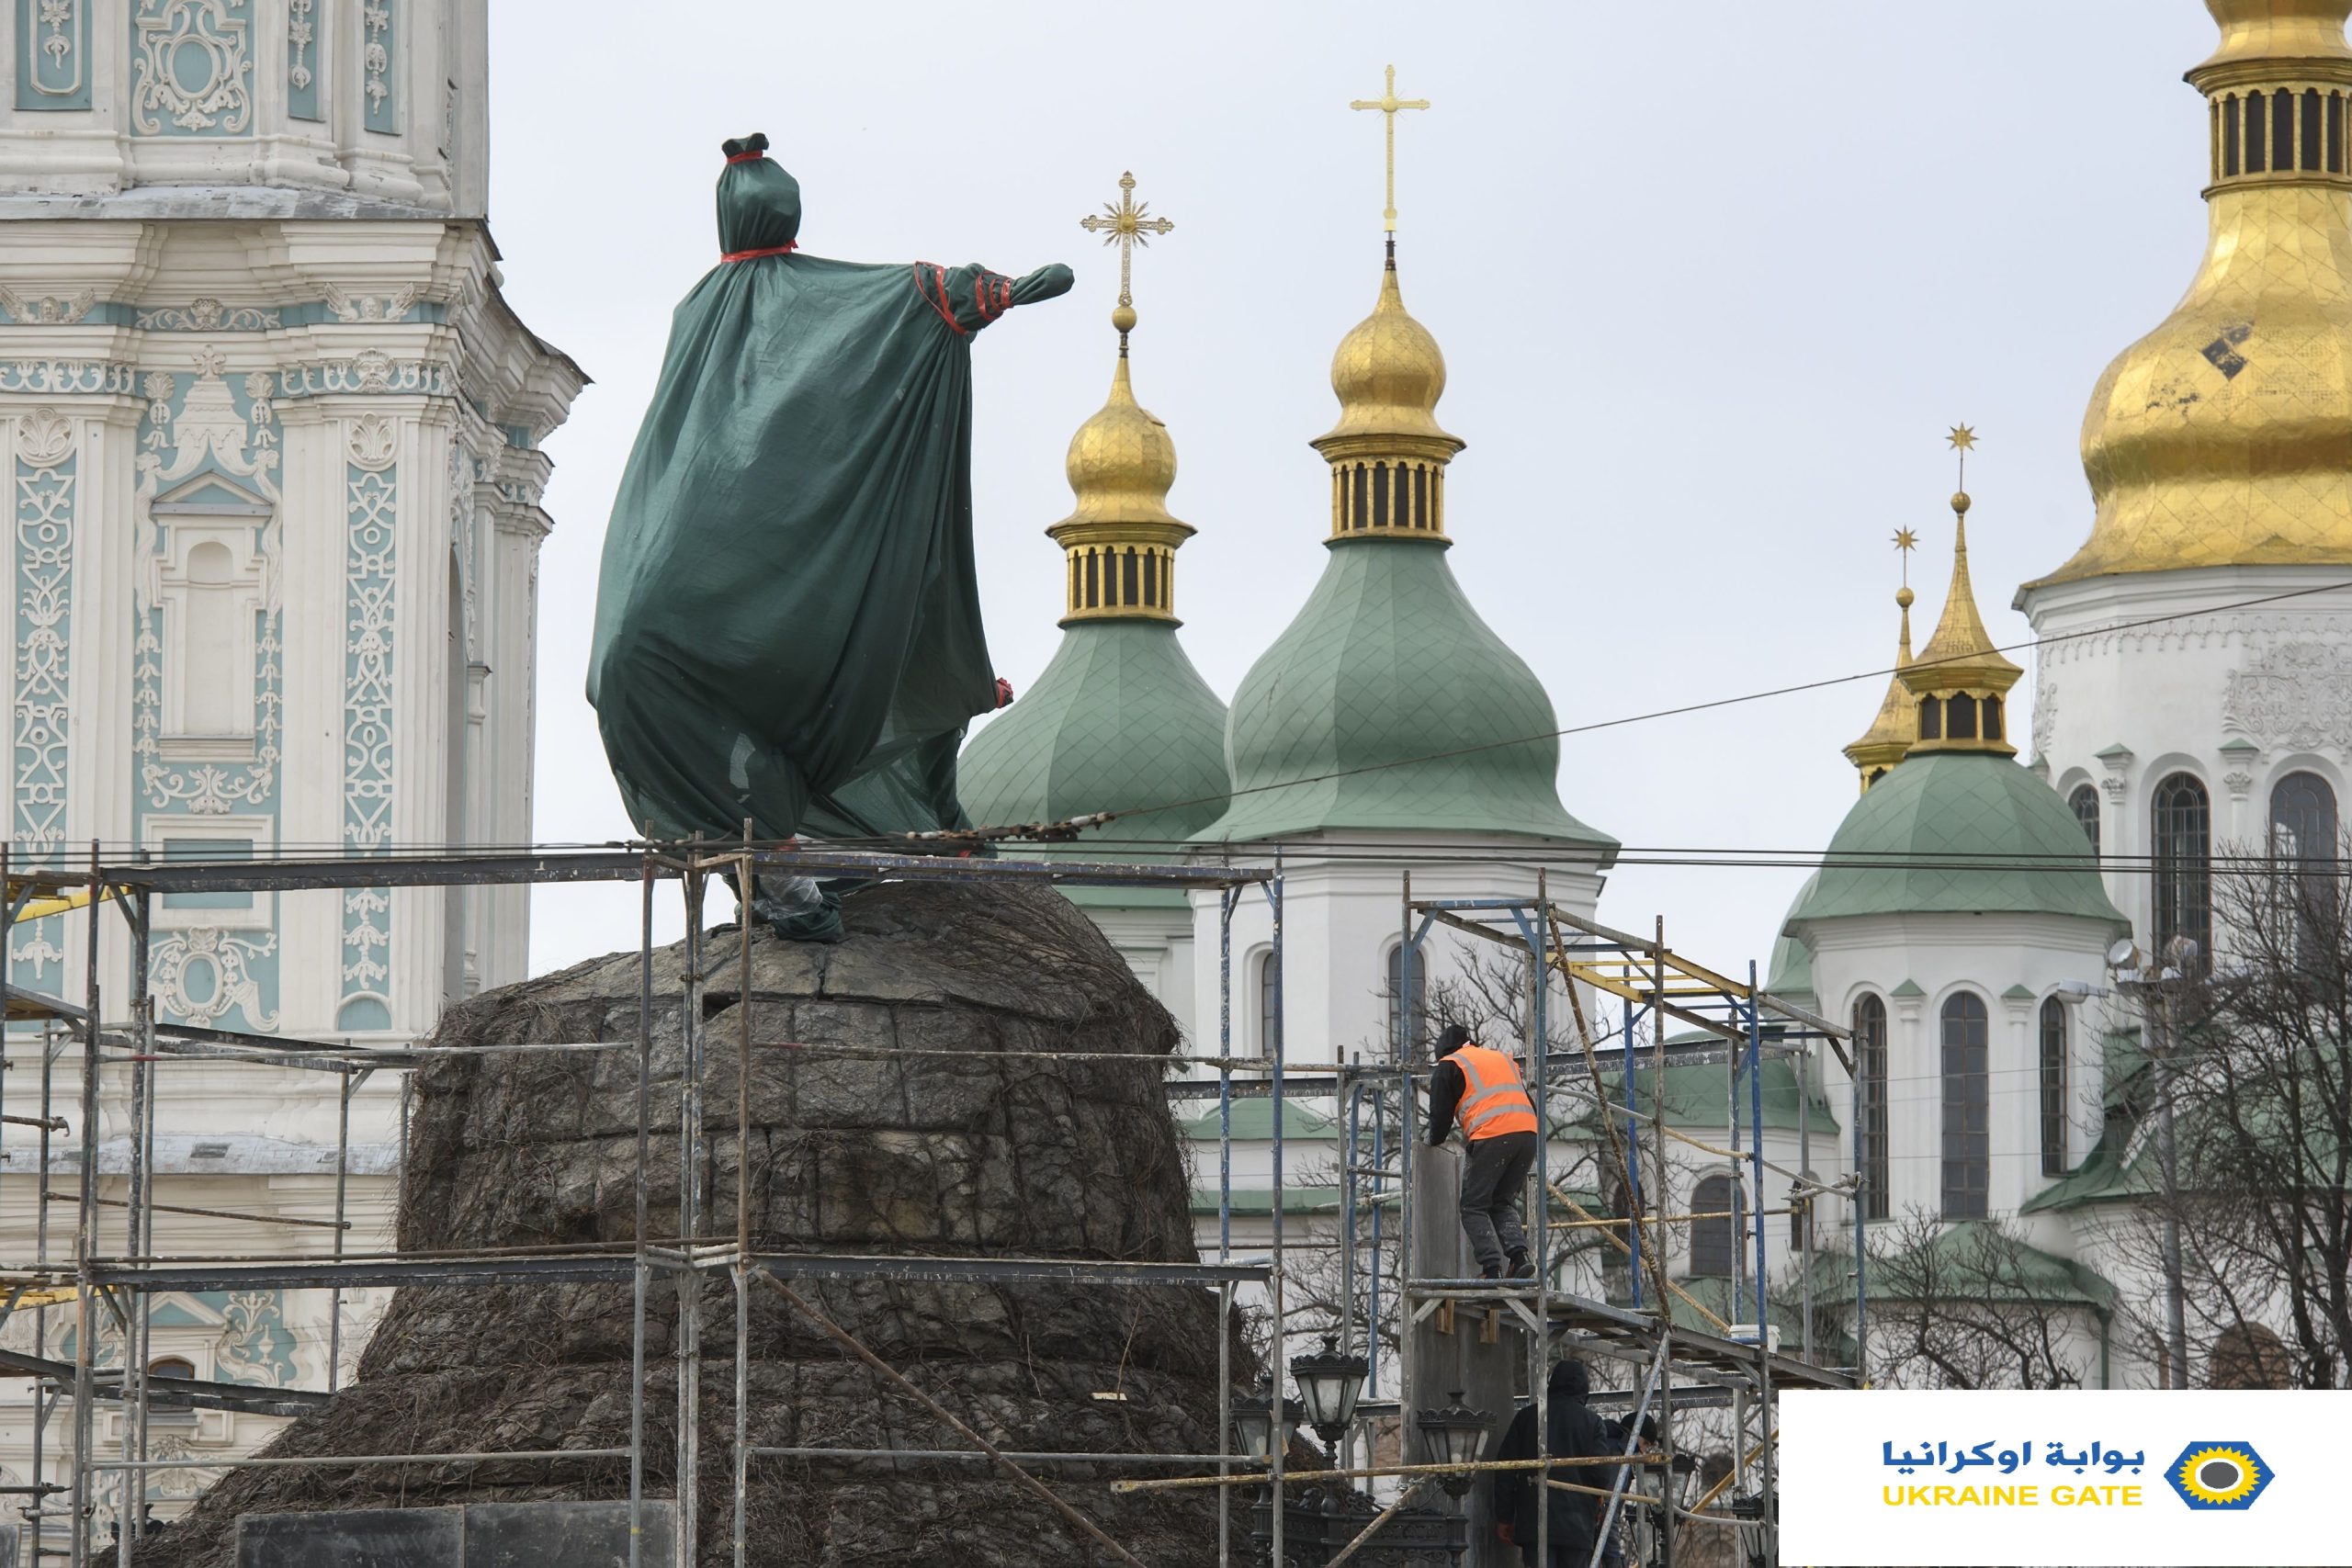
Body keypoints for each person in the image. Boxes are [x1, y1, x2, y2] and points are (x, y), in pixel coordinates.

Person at [1425, 1022, 1538, 1280]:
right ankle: (1519, 1259)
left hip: (1493, 1135)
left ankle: (1491, 1269)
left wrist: (1433, 1140)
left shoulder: (1449, 1064)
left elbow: (1440, 1119)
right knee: (1502, 1201)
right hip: (1528, 1133)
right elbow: (1528, 1102)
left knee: (1473, 1206)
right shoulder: (1499, 1059)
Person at [1492, 1358, 1616, 1567]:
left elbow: (1505, 1470)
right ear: (1584, 1388)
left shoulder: (1527, 1418)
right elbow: (1601, 1474)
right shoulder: (1592, 1423)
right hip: (1577, 1527)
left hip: (1534, 1524)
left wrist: (1504, 1516)